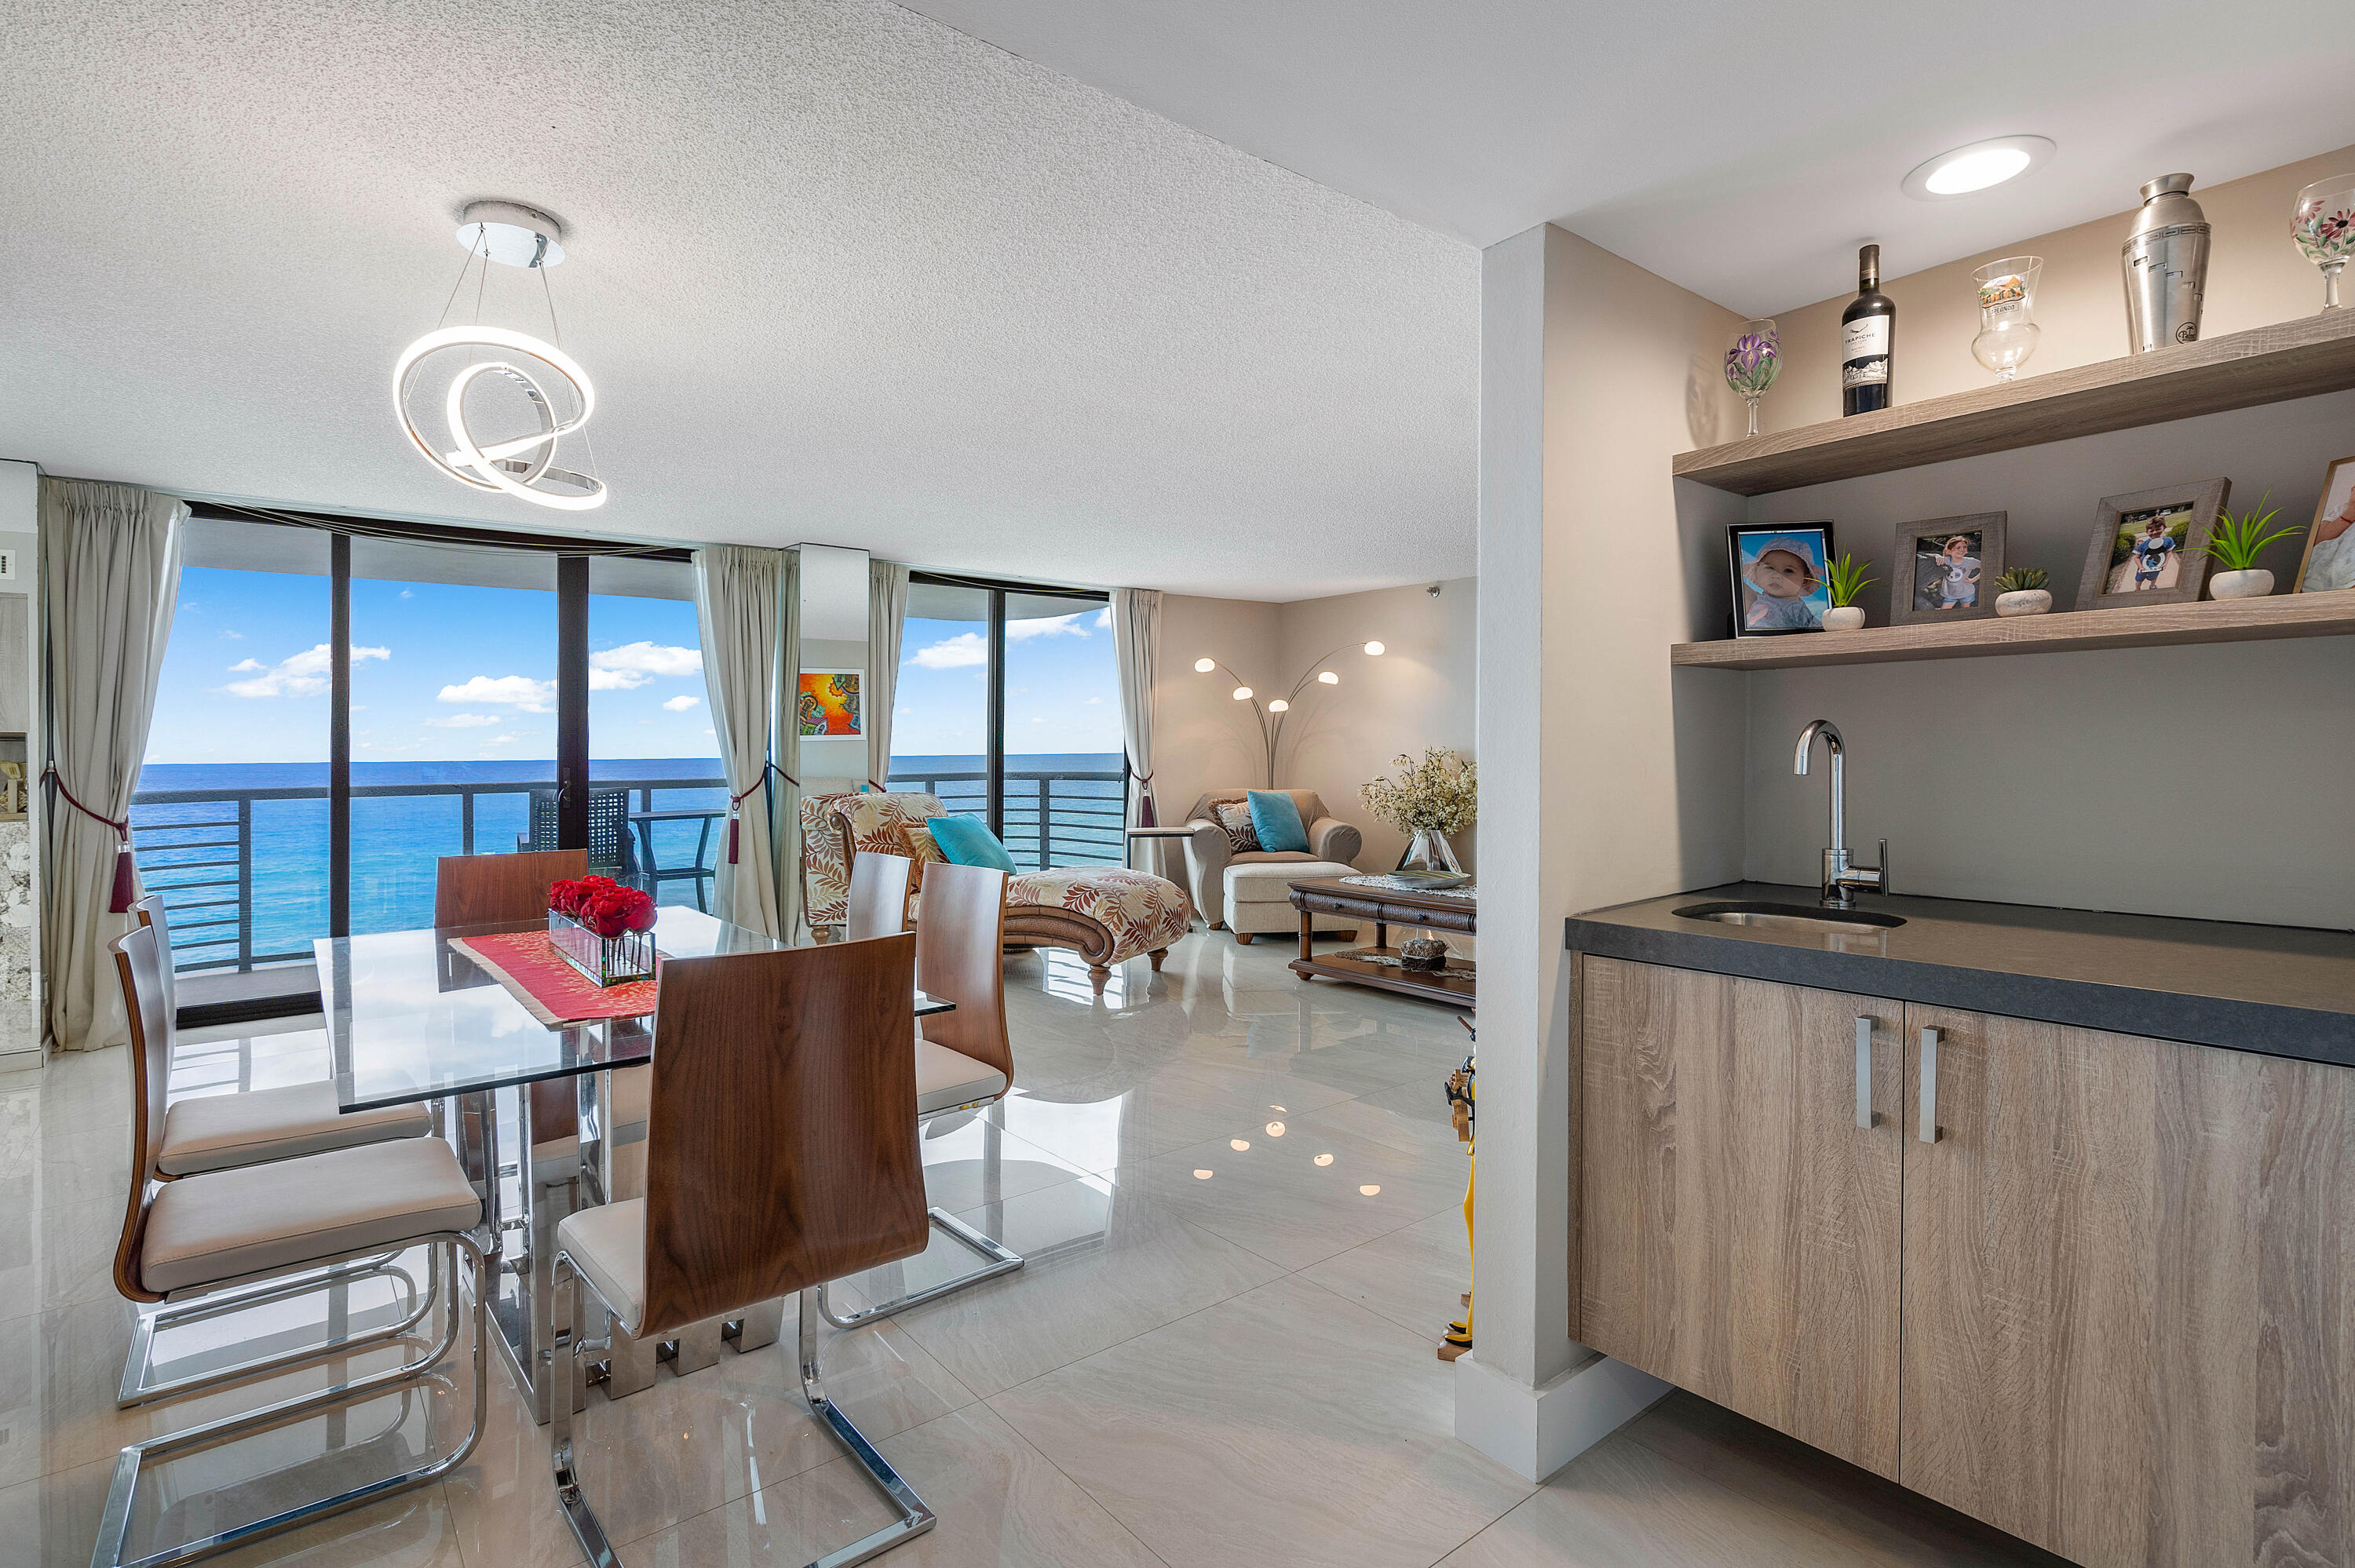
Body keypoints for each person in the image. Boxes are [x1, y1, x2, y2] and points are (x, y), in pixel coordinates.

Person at [1743, 537, 1824, 630]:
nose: (1776, 575)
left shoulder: (1797, 609)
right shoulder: (1755, 599)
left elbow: (1818, 630)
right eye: (1770, 568)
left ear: (1805, 580)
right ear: (1756, 571)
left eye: (1788, 570)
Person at [2302, 480, 2355, 592]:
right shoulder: (2341, 509)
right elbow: (2317, 541)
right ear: (2352, 491)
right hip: (2332, 562)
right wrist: (2350, 513)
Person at [1916, 534, 1980, 610]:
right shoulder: (1946, 560)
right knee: (1943, 612)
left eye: (1964, 547)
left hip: (1966, 593)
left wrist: (1973, 580)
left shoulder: (1970, 561)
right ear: (1949, 551)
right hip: (1950, 595)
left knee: (1965, 612)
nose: (1962, 550)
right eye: (1958, 548)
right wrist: (1937, 555)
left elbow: (1986, 567)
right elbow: (1924, 555)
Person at [2130, 516, 2178, 590]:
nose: (2155, 532)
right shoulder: (2143, 544)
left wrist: (2165, 563)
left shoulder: (2168, 540)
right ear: (2147, 532)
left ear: (2164, 528)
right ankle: (2138, 589)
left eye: (2158, 529)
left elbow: (2169, 551)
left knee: (2154, 578)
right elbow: (2136, 557)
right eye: (2151, 531)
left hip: (2157, 566)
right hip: (2143, 566)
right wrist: (2140, 567)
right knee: (2139, 579)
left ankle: (2152, 586)